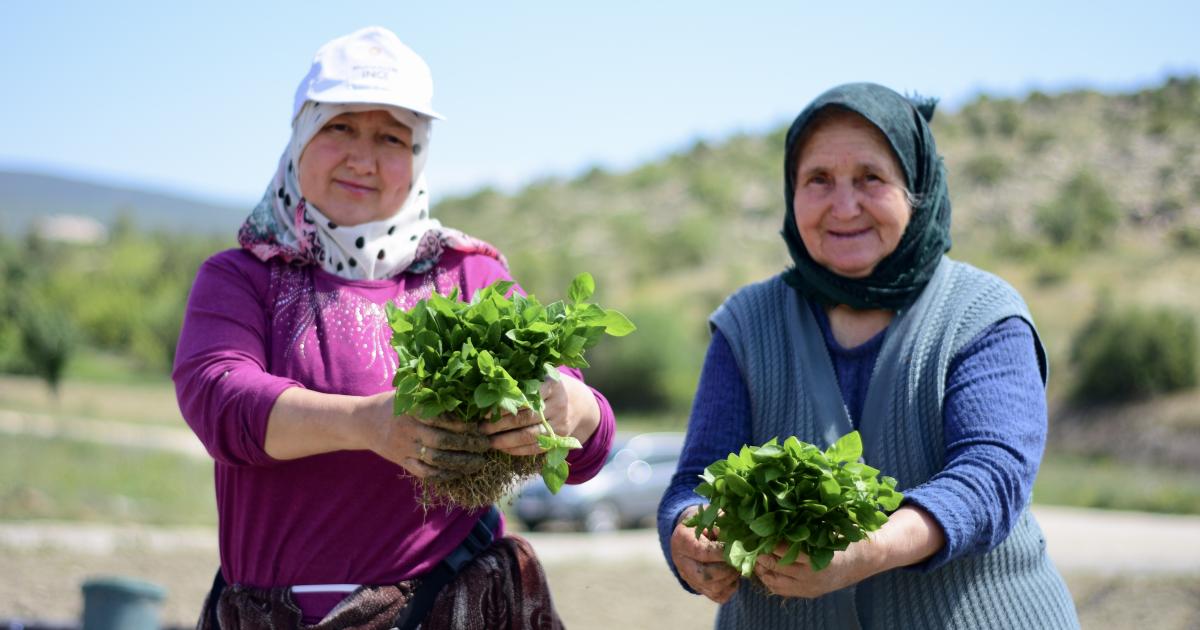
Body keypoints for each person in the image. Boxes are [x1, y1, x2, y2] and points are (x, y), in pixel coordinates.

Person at [174, 26, 614, 629]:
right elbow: (220, 400)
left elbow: (587, 439)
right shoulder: (246, 275)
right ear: (301, 136)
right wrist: (367, 423)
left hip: (445, 609)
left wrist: (570, 407)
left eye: (391, 138)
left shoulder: (467, 274)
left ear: (418, 156)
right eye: (340, 127)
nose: (363, 157)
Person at [657, 82, 1080, 629]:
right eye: (819, 180)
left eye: (871, 179)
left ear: (915, 189)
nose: (844, 205)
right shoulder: (747, 322)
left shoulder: (983, 315)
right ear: (792, 192)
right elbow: (697, 477)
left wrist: (869, 550)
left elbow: (989, 477)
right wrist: (688, 532)